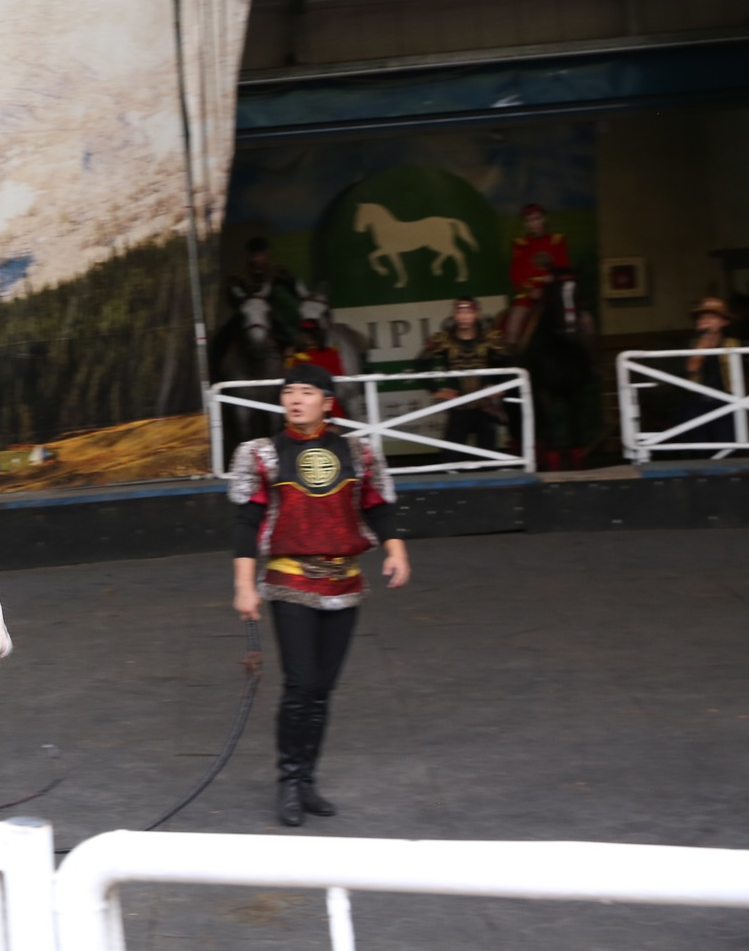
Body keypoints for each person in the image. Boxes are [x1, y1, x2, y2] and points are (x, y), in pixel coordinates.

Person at [229, 363, 409, 827]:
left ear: (327, 401)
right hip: (290, 580)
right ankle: (288, 781)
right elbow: (247, 523)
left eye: (307, 391)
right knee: (300, 683)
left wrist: (395, 549)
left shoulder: (358, 453)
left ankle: (307, 779)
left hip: (345, 582)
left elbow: (377, 504)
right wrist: (244, 585)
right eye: (289, 391)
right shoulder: (264, 454)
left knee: (322, 689)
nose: (296, 398)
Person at [414, 296, 510, 458]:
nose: (464, 316)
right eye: (460, 311)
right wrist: (436, 391)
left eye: (469, 311)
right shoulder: (443, 340)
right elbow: (420, 365)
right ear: (454, 315)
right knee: (449, 459)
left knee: (488, 459)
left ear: (477, 314)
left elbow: (512, 361)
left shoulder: (491, 338)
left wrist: (500, 387)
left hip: (485, 408)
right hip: (458, 408)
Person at [676, 296, 744, 450]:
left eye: (712, 316)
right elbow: (691, 368)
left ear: (724, 322)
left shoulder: (736, 345)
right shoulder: (689, 345)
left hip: (728, 404)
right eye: (702, 317)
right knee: (698, 447)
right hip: (697, 403)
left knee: (727, 445)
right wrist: (703, 343)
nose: (705, 320)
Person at [506, 203, 569, 340]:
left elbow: (565, 270)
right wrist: (531, 291)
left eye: (536, 219)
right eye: (529, 220)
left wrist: (553, 279)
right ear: (526, 224)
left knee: (586, 321)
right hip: (528, 297)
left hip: (555, 295)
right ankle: (512, 360)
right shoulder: (520, 244)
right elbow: (515, 275)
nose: (533, 223)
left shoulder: (557, 241)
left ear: (544, 219)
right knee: (512, 329)